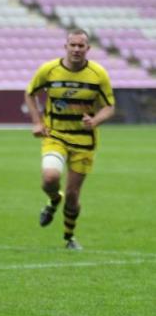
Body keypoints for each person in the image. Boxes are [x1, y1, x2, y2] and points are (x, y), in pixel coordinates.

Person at [25, 28, 114, 250]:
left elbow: (109, 107)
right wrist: (37, 122)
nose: (76, 49)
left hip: (84, 141)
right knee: (50, 178)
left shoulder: (98, 74)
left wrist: (95, 121)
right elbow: (30, 93)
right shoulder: (49, 70)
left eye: (80, 45)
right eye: (72, 45)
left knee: (73, 195)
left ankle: (68, 237)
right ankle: (54, 199)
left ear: (87, 48)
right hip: (55, 136)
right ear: (65, 47)